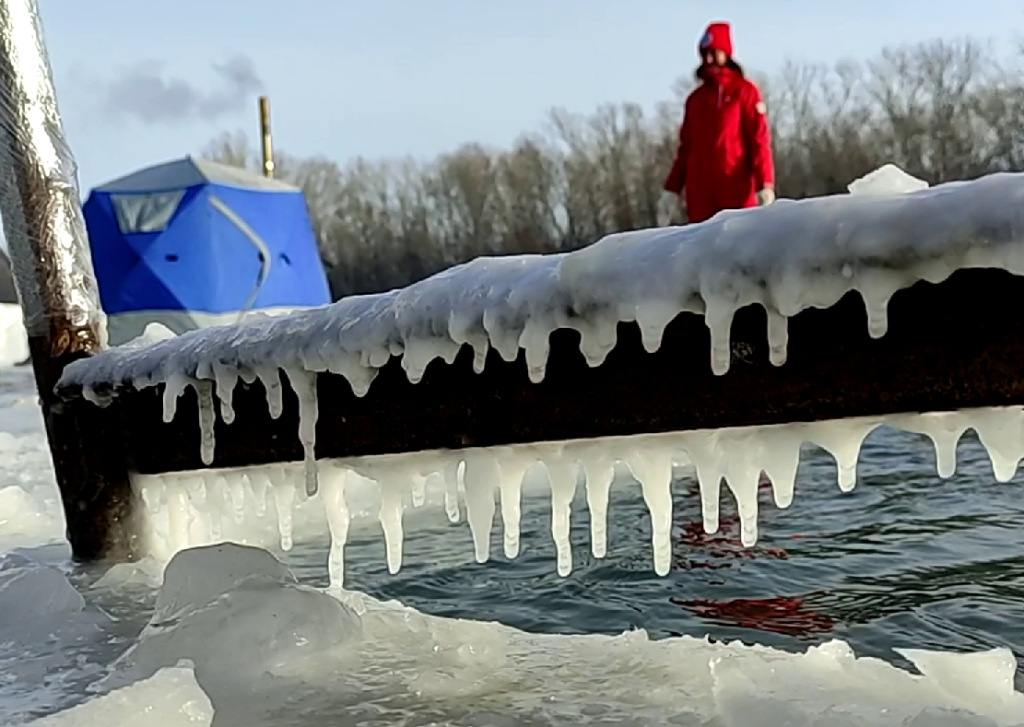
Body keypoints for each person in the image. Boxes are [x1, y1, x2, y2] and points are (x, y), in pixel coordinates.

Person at [658, 21, 775, 226]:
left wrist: (764, 183)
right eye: (704, 54)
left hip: (735, 189)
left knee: (738, 248)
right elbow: (685, 149)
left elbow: (758, 140)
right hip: (700, 195)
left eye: (714, 52)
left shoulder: (744, 92)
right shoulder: (695, 100)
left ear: (726, 53)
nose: (709, 59)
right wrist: (672, 189)